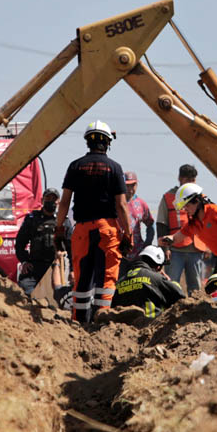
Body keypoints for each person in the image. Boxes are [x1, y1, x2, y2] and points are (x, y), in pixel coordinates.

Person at [54, 120, 133, 323]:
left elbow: (64, 203)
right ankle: (102, 322)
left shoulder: (75, 166)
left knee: (81, 279)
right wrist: (128, 233)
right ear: (107, 143)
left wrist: (59, 228)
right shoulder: (115, 168)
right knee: (106, 280)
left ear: (87, 142)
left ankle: (79, 321)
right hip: (107, 230)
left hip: (81, 230)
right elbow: (122, 205)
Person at [156, 164, 207, 296]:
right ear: (180, 179)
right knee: (171, 285)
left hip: (195, 249)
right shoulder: (168, 197)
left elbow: (207, 223)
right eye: (188, 179)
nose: (191, 183)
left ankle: (194, 313)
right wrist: (165, 249)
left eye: (193, 179)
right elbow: (161, 224)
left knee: (195, 288)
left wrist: (208, 246)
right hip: (175, 250)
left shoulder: (201, 197)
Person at [15, 187, 72, 296]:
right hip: (35, 265)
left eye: (54, 199)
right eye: (48, 198)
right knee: (24, 291)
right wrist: (24, 261)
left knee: (61, 295)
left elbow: (71, 246)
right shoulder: (32, 219)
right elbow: (20, 243)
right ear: (42, 200)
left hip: (57, 265)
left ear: (58, 202)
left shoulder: (64, 221)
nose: (51, 201)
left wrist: (72, 269)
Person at [113, 246, 185, 318]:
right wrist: (169, 282)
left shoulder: (120, 281)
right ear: (158, 267)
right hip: (150, 323)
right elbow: (180, 296)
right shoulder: (156, 278)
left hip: (123, 325)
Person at [121, 171, 155, 270]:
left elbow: (150, 224)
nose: (130, 189)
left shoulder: (141, 204)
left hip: (137, 254)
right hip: (119, 254)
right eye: (127, 185)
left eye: (133, 185)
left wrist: (147, 244)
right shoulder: (115, 203)